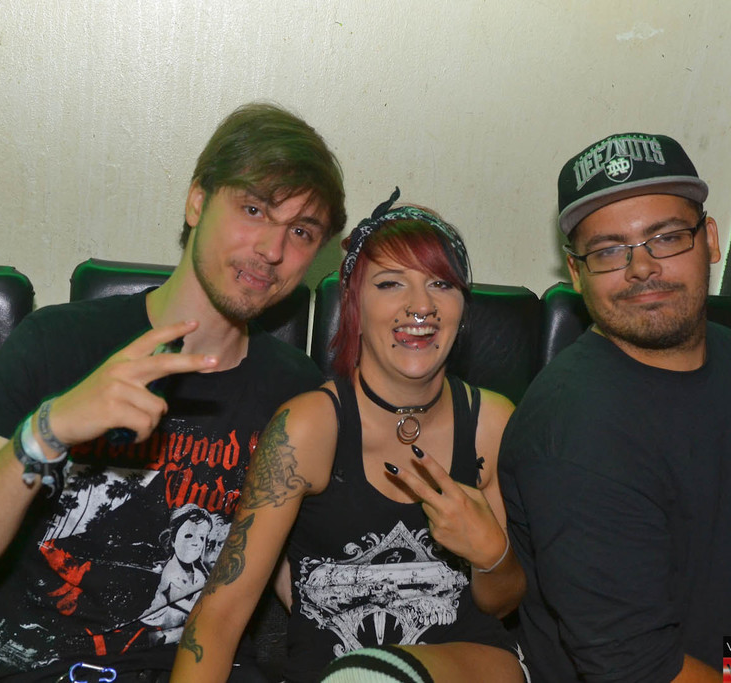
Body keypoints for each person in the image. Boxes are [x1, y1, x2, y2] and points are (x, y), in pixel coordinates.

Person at [0, 102, 347, 682]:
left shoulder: (298, 393)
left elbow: (307, 587)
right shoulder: (59, 343)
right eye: (253, 210)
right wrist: (50, 429)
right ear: (197, 202)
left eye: (301, 232)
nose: (272, 249)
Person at [498, 132, 731, 682]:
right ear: (576, 274)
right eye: (608, 250)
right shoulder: (572, 432)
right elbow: (638, 667)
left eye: (667, 237)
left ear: (710, 239)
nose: (641, 268)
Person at [171, 189, 528, 683]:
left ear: (463, 307)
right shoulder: (306, 429)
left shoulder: (492, 422)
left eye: (441, 284)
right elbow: (221, 613)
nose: (420, 305)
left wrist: (491, 555)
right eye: (390, 283)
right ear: (354, 303)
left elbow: (503, 603)